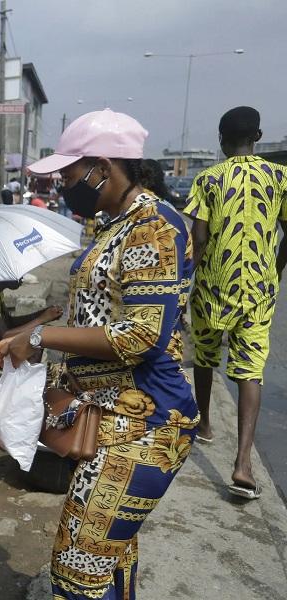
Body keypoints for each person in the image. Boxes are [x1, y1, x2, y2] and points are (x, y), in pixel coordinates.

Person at [0, 109, 197, 599]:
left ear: (103, 168)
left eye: (69, 176)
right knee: (112, 560)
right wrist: (40, 329)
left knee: (77, 571)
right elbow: (96, 315)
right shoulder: (113, 225)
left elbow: (141, 335)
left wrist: (41, 339)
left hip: (145, 425)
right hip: (107, 418)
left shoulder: (153, 227)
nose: (64, 186)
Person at [184, 106, 287, 500]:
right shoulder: (279, 177)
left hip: (213, 286)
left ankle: (204, 424)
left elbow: (199, 237)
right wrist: (275, 270)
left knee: (205, 356)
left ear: (221, 139)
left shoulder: (208, 179)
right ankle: (243, 463)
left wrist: (184, 280)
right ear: (257, 136)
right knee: (250, 371)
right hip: (259, 290)